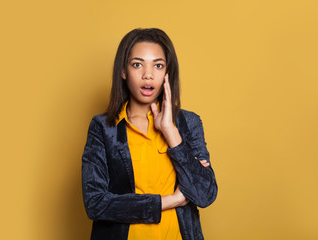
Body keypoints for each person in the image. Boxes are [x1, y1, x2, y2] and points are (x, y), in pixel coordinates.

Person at [82, 28, 217, 240]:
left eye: (158, 65)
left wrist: (171, 132)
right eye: (137, 64)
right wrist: (171, 200)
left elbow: (205, 194)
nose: (148, 74)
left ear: (167, 73)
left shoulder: (188, 123)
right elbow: (96, 203)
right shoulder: (103, 127)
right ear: (123, 71)